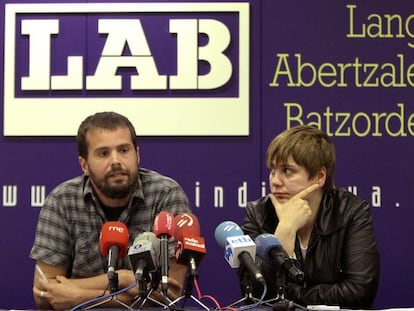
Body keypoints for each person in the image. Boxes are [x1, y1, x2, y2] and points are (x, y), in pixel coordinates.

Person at [30, 111, 191, 310]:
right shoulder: (62, 201)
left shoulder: (165, 195)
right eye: (103, 153)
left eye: (124, 150)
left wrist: (82, 295)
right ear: (84, 165)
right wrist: (130, 283)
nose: (116, 161)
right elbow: (46, 292)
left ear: (137, 155)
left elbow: (170, 294)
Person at [239, 125, 380, 309]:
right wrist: (285, 230)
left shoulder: (350, 211)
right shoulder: (258, 213)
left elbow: (360, 291)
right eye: (273, 170)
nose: (275, 181)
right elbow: (254, 293)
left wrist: (293, 295)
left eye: (287, 171)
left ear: (319, 176)